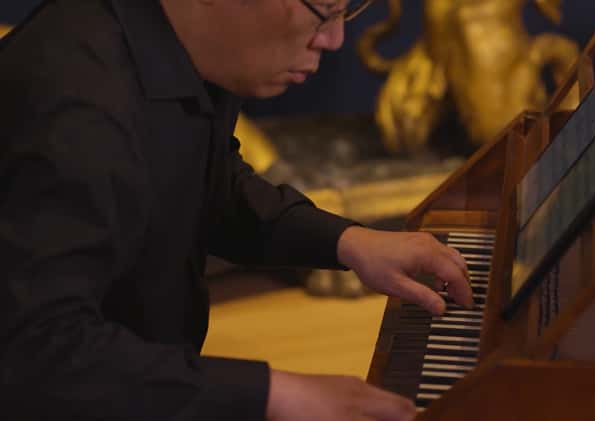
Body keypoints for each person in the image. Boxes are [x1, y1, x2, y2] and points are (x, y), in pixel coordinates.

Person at [0, 0, 474, 420]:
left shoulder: (183, 49)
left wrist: (349, 242)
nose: (334, 38)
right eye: (324, 10)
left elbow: (208, 185)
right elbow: (37, 354)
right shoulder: (76, 109)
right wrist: (272, 395)